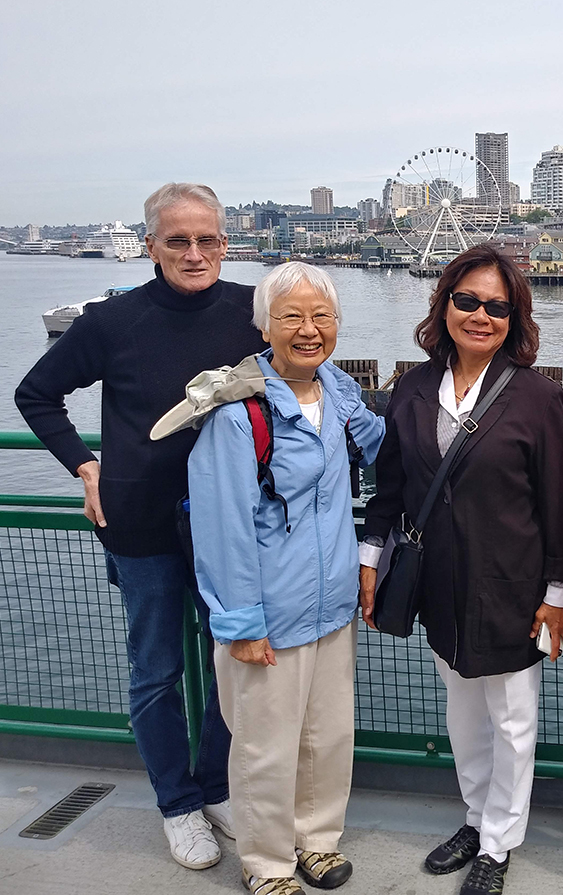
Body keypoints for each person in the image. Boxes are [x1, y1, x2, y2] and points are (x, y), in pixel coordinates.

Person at [14, 183, 266, 870]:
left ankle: (216, 787)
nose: (194, 252)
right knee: (155, 671)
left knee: (230, 665)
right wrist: (83, 465)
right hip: (141, 520)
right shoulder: (110, 321)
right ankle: (177, 804)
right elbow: (36, 394)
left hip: (232, 526)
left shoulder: (254, 311)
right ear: (151, 245)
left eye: (207, 238)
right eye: (177, 240)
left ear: (225, 238)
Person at [358, 244, 563, 895]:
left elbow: (559, 503)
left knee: (512, 718)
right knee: (462, 712)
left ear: (515, 318)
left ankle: (499, 842)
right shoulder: (412, 388)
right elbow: (391, 489)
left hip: (514, 586)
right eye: (468, 300)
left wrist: (558, 594)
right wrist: (370, 560)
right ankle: (476, 817)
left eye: (497, 306)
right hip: (440, 582)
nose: (480, 314)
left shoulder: (538, 397)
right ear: (445, 302)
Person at [183, 262, 383, 895]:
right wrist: (239, 623)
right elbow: (222, 527)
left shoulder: (340, 391)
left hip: (332, 607)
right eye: (291, 316)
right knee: (265, 749)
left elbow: (383, 449)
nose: (308, 330)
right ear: (264, 325)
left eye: (321, 317)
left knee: (327, 737)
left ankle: (317, 841)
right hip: (267, 612)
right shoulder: (238, 413)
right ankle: (267, 862)